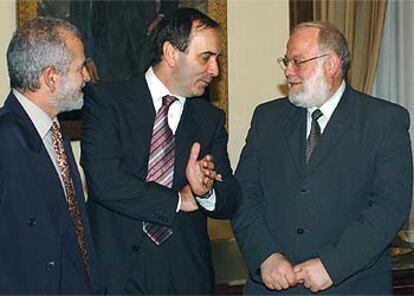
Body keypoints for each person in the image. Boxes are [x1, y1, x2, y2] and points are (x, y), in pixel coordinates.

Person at [232, 21, 413, 295]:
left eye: (297, 61)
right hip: (271, 286)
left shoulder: (384, 121)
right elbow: (243, 195)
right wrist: (265, 256)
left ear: (331, 64)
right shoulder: (267, 118)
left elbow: (390, 207)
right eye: (286, 60)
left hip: (350, 284)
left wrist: (333, 265)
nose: (287, 70)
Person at [80, 8, 240, 294]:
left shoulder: (209, 119)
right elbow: (104, 181)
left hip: (185, 275)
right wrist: (178, 200)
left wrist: (206, 193)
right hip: (117, 274)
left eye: (217, 59)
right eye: (206, 58)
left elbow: (230, 196)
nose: (215, 71)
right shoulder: (107, 102)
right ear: (170, 53)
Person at [0, 17, 102, 294]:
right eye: (80, 67)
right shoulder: (4, 138)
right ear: (51, 77)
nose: (87, 76)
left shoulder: (55, 133)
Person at [70, 0, 179, 83]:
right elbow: (79, 12)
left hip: (146, 42)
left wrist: (162, 15)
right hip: (106, 50)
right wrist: (87, 55)